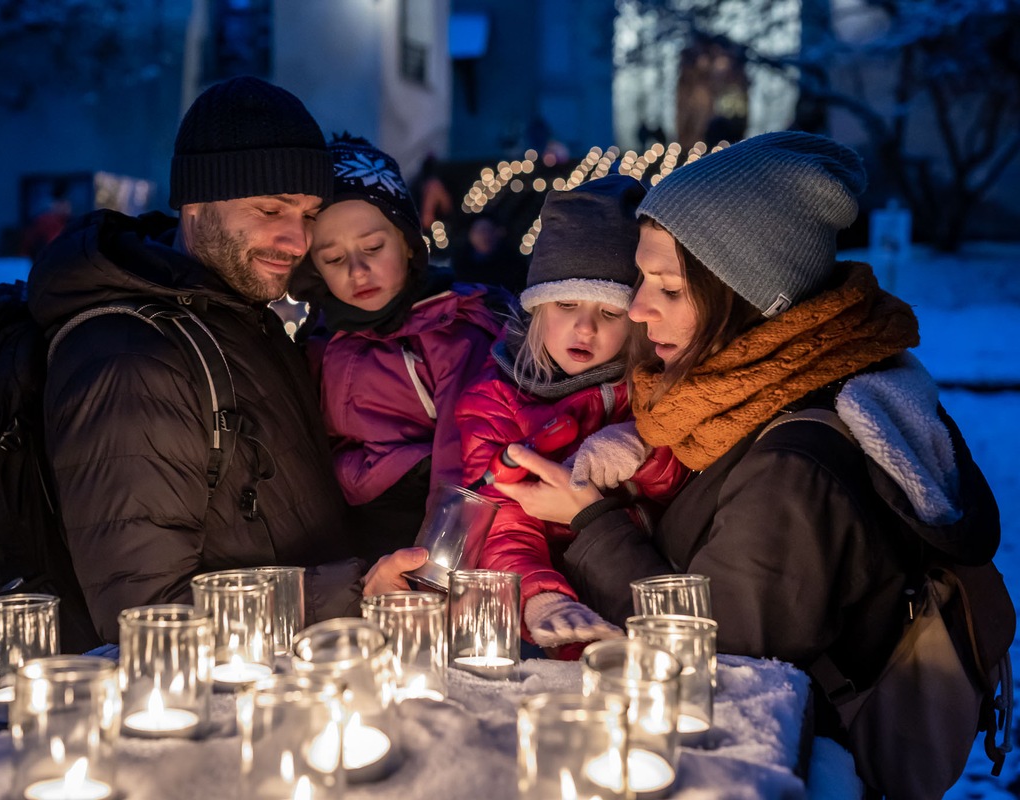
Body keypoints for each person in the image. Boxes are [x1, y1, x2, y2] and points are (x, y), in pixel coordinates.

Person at [492, 131, 1000, 789]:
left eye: (668, 289)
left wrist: (591, 523)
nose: (639, 310)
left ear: (756, 302)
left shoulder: (796, 471)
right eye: (642, 278)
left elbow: (715, 655)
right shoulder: (742, 396)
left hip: (783, 767)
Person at [27, 77, 426, 644]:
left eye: (310, 214)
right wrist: (355, 593)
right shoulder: (130, 359)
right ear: (196, 202)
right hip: (219, 712)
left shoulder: (239, 319)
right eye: (270, 209)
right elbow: (146, 616)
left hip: (296, 683)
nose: (296, 240)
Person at [454, 175, 687, 658]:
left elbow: (679, 481)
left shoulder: (649, 386)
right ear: (538, 307)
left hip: (646, 593)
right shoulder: (496, 401)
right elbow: (502, 519)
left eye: (610, 312)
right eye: (566, 304)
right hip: (556, 611)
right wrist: (539, 597)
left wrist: (640, 447)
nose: (585, 327)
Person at [289, 134, 502, 561]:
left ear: (406, 241)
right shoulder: (319, 342)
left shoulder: (450, 332)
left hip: (423, 532)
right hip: (345, 539)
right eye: (333, 259)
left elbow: (462, 458)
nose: (358, 270)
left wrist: (440, 566)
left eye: (372, 248)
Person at [20, 182, 74, 261]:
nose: (65, 206)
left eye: (67, 204)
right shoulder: (44, 222)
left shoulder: (75, 223)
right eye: (61, 203)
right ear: (54, 204)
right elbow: (28, 244)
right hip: (47, 261)